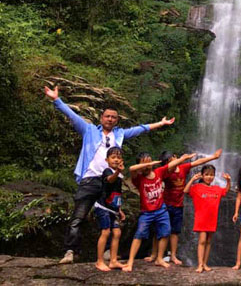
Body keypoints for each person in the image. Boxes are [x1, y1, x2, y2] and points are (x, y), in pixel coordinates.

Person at [43, 85, 175, 264]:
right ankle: (70, 251)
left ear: (117, 120)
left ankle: (108, 253)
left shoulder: (120, 134)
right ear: (101, 118)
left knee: (112, 217)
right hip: (90, 179)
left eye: (114, 117)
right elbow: (71, 115)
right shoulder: (89, 130)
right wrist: (56, 99)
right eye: (107, 116)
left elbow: (141, 129)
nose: (110, 119)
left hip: (112, 182)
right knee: (78, 216)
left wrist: (161, 123)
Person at [145, 148, 223, 265]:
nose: (172, 163)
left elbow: (198, 162)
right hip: (165, 205)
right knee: (160, 231)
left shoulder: (183, 168)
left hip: (178, 205)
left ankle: (173, 256)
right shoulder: (166, 172)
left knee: (175, 231)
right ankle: (154, 254)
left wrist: (214, 157)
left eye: (172, 160)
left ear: (176, 157)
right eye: (168, 162)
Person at [122, 152, 194, 272]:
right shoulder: (138, 179)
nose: (148, 165)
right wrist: (149, 163)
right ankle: (130, 262)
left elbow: (170, 165)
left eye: (149, 161)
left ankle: (160, 259)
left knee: (165, 233)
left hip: (161, 210)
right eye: (144, 163)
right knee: (139, 235)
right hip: (146, 212)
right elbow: (131, 168)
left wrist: (183, 159)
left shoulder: (159, 172)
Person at [184, 165, 231, 273]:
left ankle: (205, 263)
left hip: (212, 219)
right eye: (207, 175)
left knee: (209, 241)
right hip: (201, 219)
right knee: (202, 241)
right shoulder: (197, 187)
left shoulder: (216, 189)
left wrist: (228, 181)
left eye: (211, 175)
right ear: (202, 175)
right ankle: (200, 264)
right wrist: (192, 179)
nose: (209, 177)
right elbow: (186, 191)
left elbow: (226, 191)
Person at [94, 146, 126, 272]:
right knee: (106, 232)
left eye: (118, 157)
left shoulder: (119, 175)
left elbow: (117, 193)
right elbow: (110, 181)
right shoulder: (107, 171)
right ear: (107, 160)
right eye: (113, 157)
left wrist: (120, 209)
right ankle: (100, 261)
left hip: (113, 209)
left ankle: (113, 261)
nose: (116, 160)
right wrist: (117, 172)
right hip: (103, 208)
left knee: (117, 232)